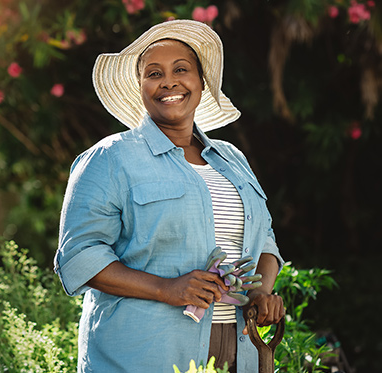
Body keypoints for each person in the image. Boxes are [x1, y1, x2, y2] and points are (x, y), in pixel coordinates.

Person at [54, 19, 285, 373]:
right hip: (146, 350)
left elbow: (264, 242)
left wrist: (260, 293)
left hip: (240, 346)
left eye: (181, 69)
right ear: (141, 86)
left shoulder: (232, 159)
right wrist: (167, 289)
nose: (169, 82)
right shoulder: (110, 158)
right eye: (154, 73)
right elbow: (79, 257)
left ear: (202, 81)